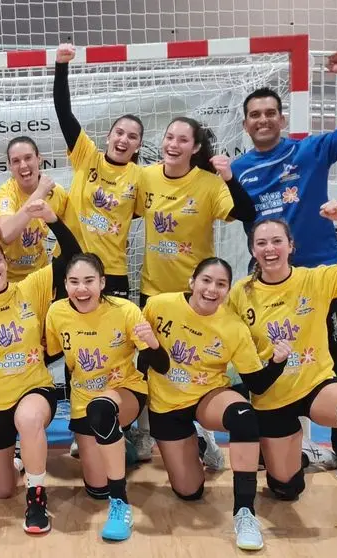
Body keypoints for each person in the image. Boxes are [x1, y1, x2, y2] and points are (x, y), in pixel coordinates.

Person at [232, 51, 337, 478]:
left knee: (333, 358)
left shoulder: (312, 150)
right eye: (254, 115)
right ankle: (275, 443)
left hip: (316, 278)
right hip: (265, 280)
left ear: (282, 119)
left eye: (270, 113)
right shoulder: (238, 170)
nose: (262, 120)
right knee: (266, 359)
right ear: (245, 125)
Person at [228, 201, 337, 547]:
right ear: (252, 249)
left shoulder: (314, 278)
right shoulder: (240, 293)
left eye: (276, 242)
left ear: (290, 246)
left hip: (316, 385)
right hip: (271, 397)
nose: (269, 249)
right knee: (286, 489)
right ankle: (301, 455)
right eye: (261, 243)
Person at [129, 116, 257, 463]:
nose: (173, 144)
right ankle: (144, 435)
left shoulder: (209, 184)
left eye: (182, 140)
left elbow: (247, 211)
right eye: (169, 137)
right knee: (149, 364)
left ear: (196, 147)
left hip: (197, 299)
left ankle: (206, 436)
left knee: (197, 365)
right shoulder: (146, 177)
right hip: (154, 293)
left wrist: (229, 177)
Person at [142, 257, 289, 550]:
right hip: (167, 406)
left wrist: (277, 362)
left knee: (244, 416)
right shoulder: (159, 306)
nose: (212, 289)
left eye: (221, 284)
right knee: (188, 492)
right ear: (192, 282)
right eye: (206, 281)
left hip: (208, 397)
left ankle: (244, 512)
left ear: (227, 290)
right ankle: (198, 443)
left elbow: (256, 384)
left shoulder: (233, 327)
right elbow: (146, 357)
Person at [0, 199, 81, 534]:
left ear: (5, 262)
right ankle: (20, 461)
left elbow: (72, 255)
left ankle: (37, 497)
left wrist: (54, 220)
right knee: (2, 490)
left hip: (33, 388)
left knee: (28, 419)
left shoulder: (31, 287)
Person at [44, 253, 168, 542]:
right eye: (74, 282)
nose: (81, 289)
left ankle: (120, 504)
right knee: (96, 488)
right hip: (83, 398)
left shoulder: (124, 310)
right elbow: (53, 356)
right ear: (65, 284)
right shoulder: (57, 313)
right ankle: (120, 447)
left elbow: (161, 365)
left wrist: (152, 343)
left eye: (89, 281)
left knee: (101, 412)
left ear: (102, 283)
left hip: (124, 390)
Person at [52, 42, 144, 299]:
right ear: (109, 136)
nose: (124, 139)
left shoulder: (141, 176)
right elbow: (63, 112)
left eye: (132, 136)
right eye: (120, 132)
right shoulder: (87, 156)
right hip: (70, 261)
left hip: (111, 269)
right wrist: (61, 65)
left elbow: (140, 211)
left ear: (138, 145)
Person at [0, 136, 69, 282]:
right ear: (9, 165)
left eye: (28, 158)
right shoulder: (5, 193)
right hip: (7, 278)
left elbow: (71, 230)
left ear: (39, 158)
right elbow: (7, 234)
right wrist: (40, 192)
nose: (23, 165)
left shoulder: (56, 192)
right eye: (16, 161)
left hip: (40, 275)